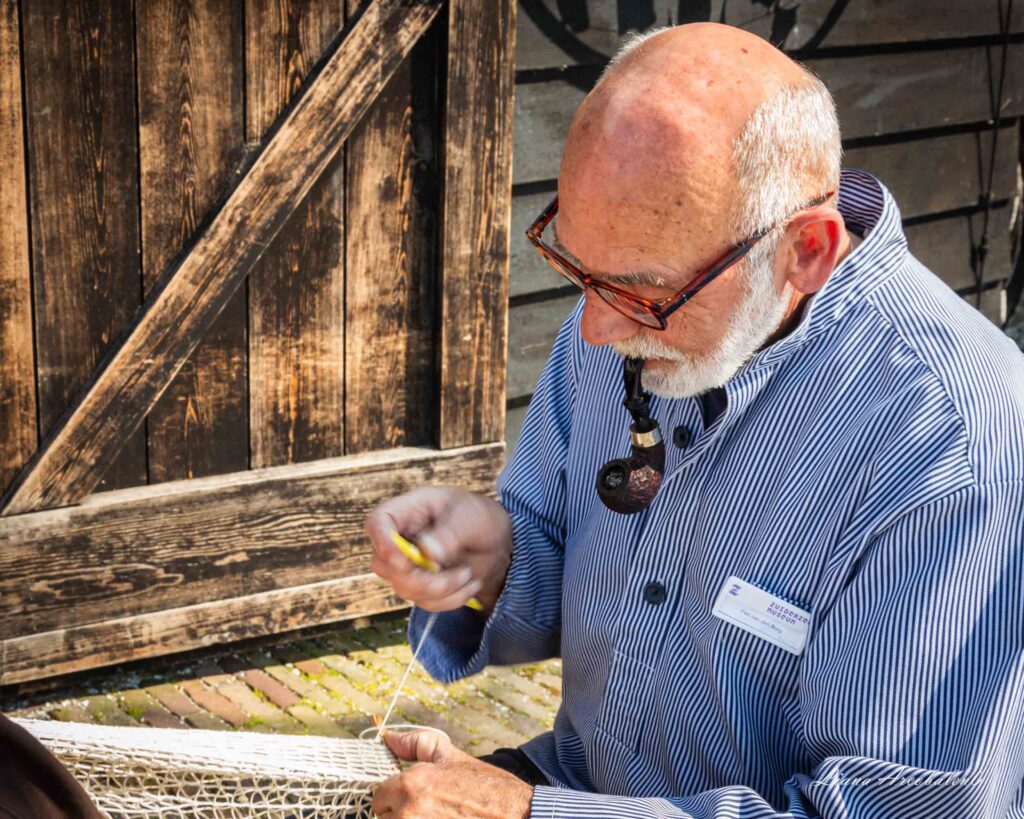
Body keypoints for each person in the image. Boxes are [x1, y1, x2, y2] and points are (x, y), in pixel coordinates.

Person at [365, 22, 1024, 819]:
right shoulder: (617, 313)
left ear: (806, 251)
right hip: (572, 784)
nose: (596, 330)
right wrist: (496, 557)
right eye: (575, 264)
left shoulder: (957, 443)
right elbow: (573, 569)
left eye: (643, 293)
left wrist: (524, 813)